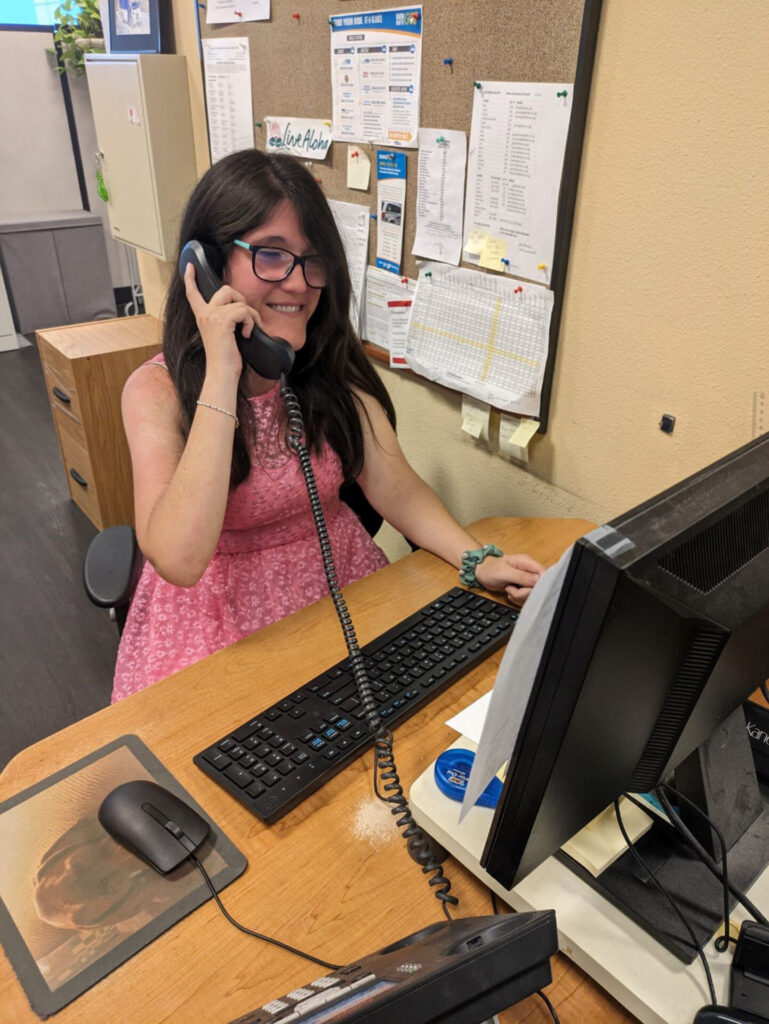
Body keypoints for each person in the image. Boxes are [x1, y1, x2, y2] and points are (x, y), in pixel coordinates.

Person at [112, 149, 544, 702]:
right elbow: (179, 557)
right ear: (208, 266)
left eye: (312, 261)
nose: (298, 284)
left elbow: (397, 487)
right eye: (271, 255)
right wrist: (223, 371)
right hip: (217, 623)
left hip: (337, 593)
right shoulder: (157, 392)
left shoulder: (323, 368)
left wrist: (476, 560)